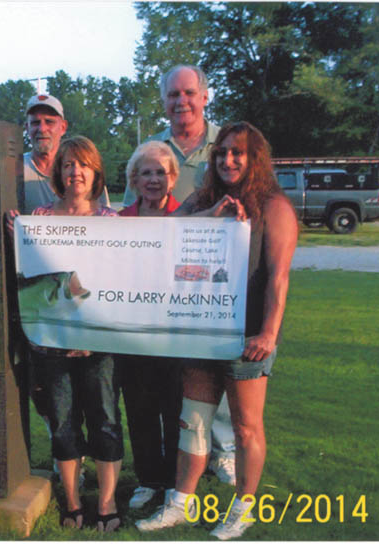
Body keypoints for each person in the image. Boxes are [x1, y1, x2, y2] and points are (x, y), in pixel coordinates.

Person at [135, 122, 298, 540]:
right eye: (222, 152)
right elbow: (167, 233)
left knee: (245, 427)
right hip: (201, 330)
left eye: (238, 153)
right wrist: (214, 215)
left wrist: (268, 334)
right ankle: (181, 504)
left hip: (246, 335)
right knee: (193, 421)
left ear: (254, 157)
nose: (228, 160)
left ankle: (243, 507)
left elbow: (279, 278)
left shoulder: (274, 206)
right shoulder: (204, 197)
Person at [124, 65, 236, 486]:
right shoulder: (154, 148)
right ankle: (176, 463)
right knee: (182, 379)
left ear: (205, 97)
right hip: (163, 285)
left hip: (214, 272)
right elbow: (129, 222)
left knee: (218, 365)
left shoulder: (224, 144)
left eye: (189, 93)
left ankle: (224, 451)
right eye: (173, 95)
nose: (181, 101)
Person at [11, 136, 123, 532]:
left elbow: (116, 280)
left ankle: (107, 504)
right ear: (58, 173)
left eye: (83, 165)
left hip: (98, 343)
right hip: (51, 342)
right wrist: (17, 234)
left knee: (105, 420)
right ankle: (73, 503)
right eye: (68, 165)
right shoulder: (39, 216)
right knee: (61, 422)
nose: (75, 172)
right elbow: (30, 276)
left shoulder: (112, 221)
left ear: (96, 173)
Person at [115, 141, 183, 511]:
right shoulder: (120, 221)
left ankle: (174, 481)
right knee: (139, 409)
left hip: (174, 334)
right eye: (146, 172)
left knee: (174, 411)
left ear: (172, 178)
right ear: (135, 180)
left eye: (161, 172)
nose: (154, 179)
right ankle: (148, 479)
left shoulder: (188, 219)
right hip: (133, 333)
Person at [23, 93, 109, 213]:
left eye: (49, 122)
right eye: (35, 123)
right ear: (27, 128)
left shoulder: (86, 173)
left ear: (63, 127)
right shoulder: (14, 171)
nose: (42, 129)